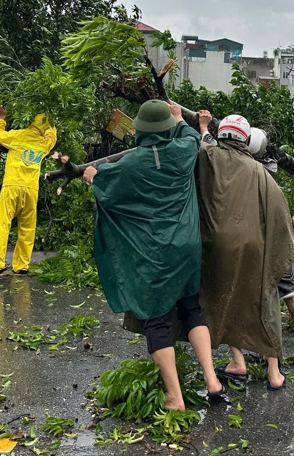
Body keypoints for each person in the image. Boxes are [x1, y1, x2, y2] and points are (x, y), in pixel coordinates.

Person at [82, 99, 223, 410]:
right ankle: (212, 379)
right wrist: (178, 117)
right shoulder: (184, 151)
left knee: (157, 319)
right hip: (187, 246)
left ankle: (174, 396)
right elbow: (190, 136)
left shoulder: (131, 165)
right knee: (190, 308)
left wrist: (92, 174)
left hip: (154, 253)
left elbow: (103, 186)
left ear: (140, 130)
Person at [196, 113, 294, 390]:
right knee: (265, 301)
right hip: (255, 248)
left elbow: (204, 143)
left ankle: (237, 362)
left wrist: (204, 126)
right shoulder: (258, 171)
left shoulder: (209, 155)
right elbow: (278, 212)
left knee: (225, 298)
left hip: (217, 245)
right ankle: (274, 373)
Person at [247, 127, 294, 367]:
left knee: (263, 298)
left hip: (261, 245)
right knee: (290, 293)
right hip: (279, 242)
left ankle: (268, 352)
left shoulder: (249, 173)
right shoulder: (271, 169)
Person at [0, 105, 57, 280]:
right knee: (27, 228)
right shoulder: (44, 144)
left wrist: (1, 117)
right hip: (31, 190)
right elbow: (52, 138)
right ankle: (21, 266)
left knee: (3, 224)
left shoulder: (17, 136)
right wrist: (53, 123)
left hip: (12, 186)